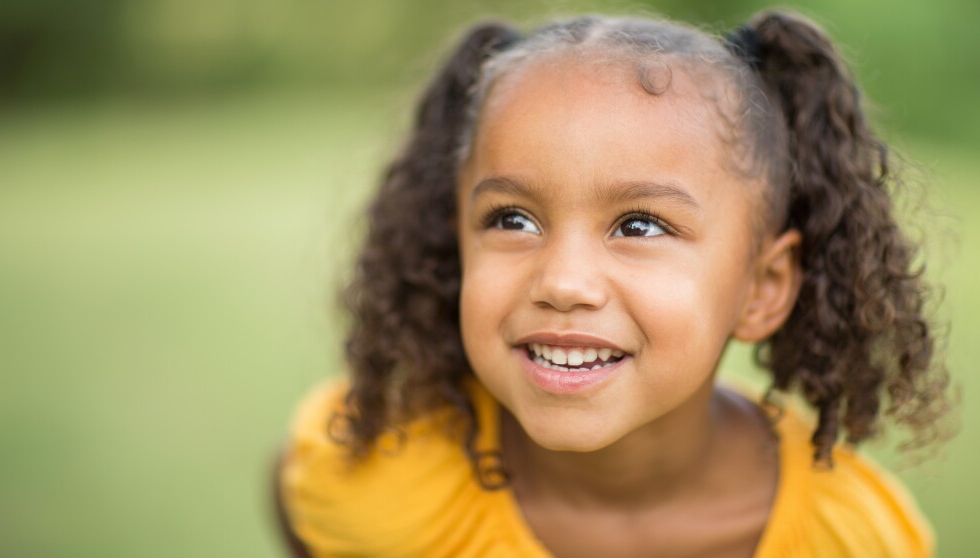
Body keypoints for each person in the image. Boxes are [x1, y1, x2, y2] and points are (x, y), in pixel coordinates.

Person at [277, 10, 952, 557]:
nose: (563, 282)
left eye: (640, 226)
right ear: (455, 241)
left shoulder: (853, 539)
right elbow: (297, 498)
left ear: (763, 287)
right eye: (511, 218)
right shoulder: (384, 477)